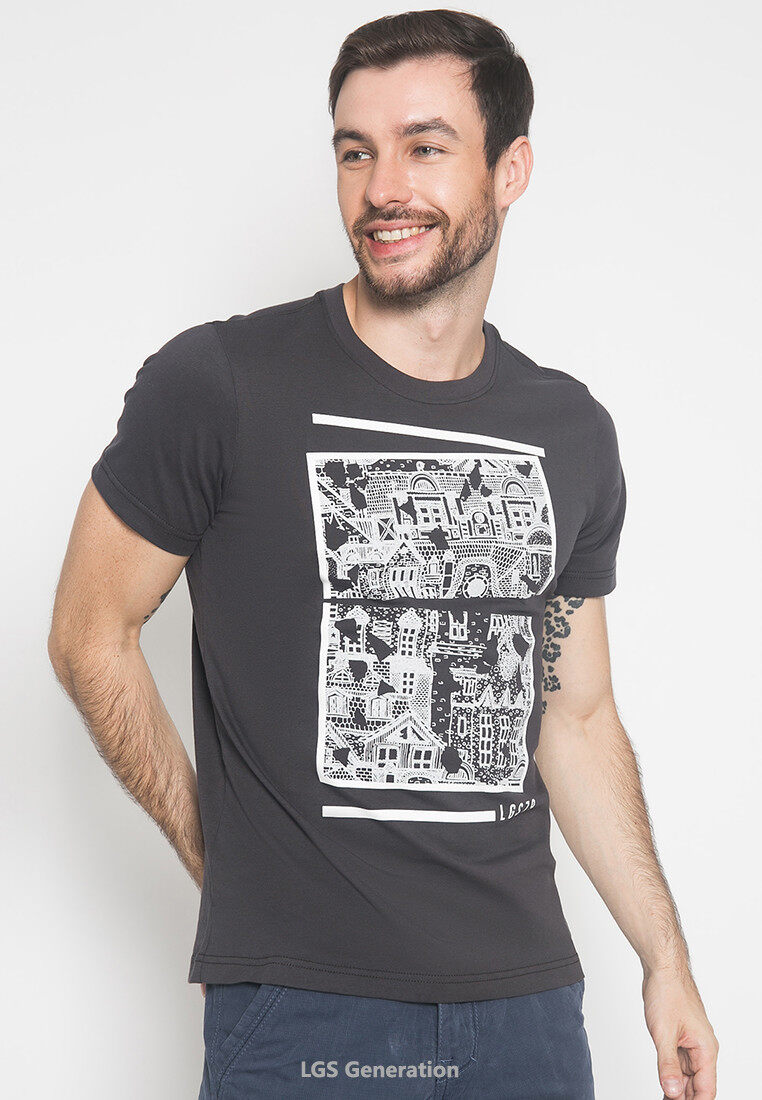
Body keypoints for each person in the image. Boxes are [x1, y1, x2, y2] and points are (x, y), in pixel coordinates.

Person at [48, 10, 719, 1099]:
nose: (382, 188)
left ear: (511, 170)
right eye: (355, 151)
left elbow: (578, 716)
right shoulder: (221, 384)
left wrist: (665, 957)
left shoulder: (568, 430)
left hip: (527, 1010)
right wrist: (221, 857)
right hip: (305, 1009)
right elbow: (90, 632)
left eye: (424, 146)